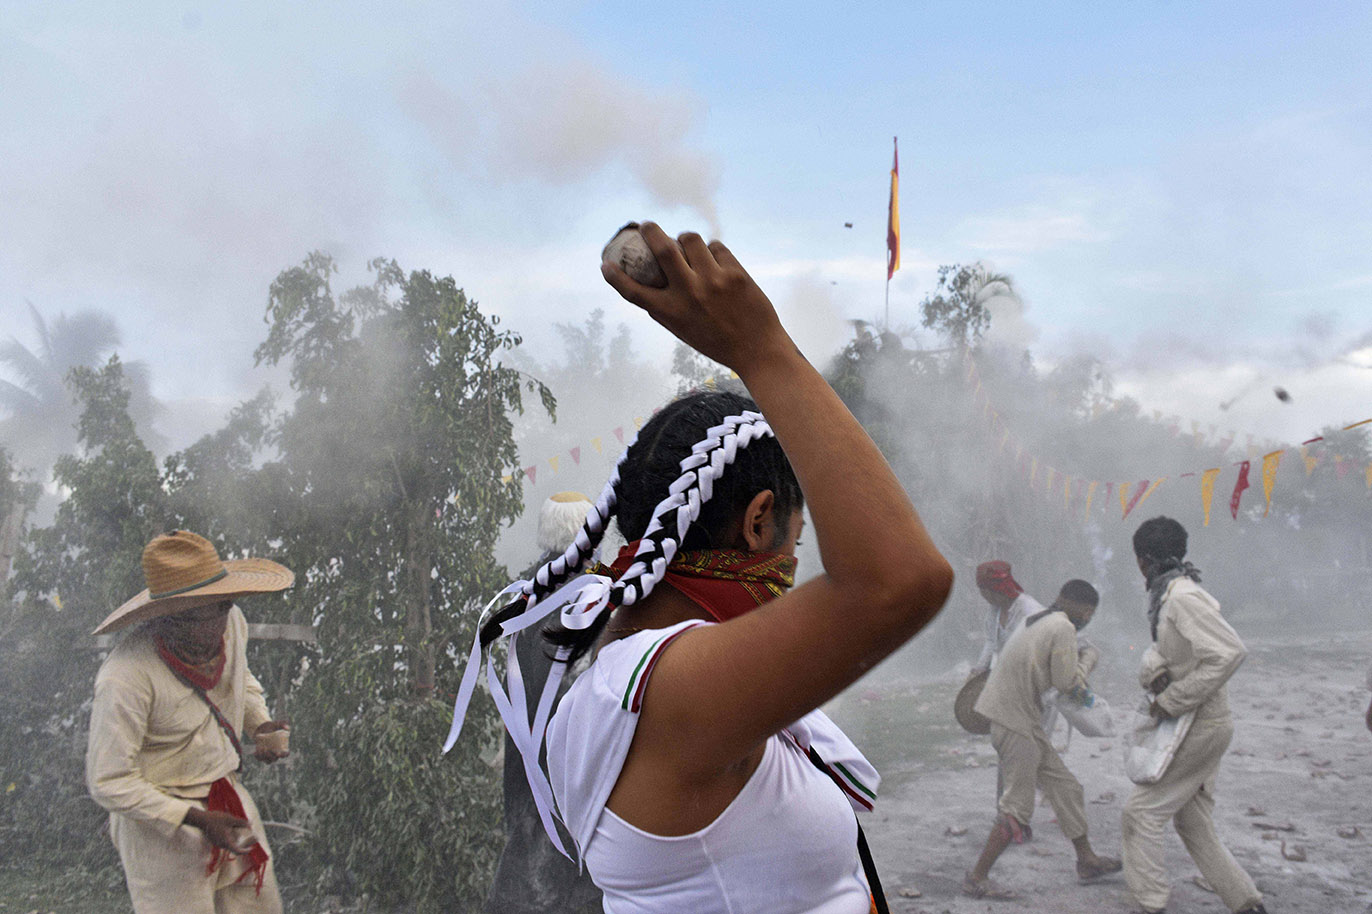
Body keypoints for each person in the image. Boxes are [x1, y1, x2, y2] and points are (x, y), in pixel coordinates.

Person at [445, 222, 953, 914]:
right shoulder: (664, 693)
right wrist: (760, 346)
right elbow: (899, 580)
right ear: (756, 521)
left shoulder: (629, 669)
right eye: (795, 547)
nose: (798, 578)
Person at [86, 530, 295, 914]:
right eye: (204, 614)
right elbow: (108, 780)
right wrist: (195, 819)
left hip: (228, 803)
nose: (220, 624)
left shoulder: (230, 622)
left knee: (259, 907)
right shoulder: (126, 676)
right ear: (169, 619)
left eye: (224, 606)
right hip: (161, 826)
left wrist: (259, 724)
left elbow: (241, 677)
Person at [1121, 516, 1266, 914]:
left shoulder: (1183, 596)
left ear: (1144, 560)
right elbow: (1178, 653)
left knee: (1140, 814)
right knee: (1193, 823)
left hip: (1201, 723)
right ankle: (1246, 903)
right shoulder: (1169, 595)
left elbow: (1229, 653)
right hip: (1194, 723)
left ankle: (1150, 905)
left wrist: (1172, 699)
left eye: (1137, 559)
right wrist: (1156, 669)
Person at [963, 579, 1120, 899]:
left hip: (1017, 717)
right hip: (1014, 721)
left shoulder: (1039, 618)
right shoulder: (1062, 627)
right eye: (1089, 613)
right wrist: (1089, 658)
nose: (1088, 618)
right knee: (1017, 808)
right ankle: (977, 877)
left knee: (1066, 787)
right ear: (1087, 610)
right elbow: (1066, 683)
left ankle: (1086, 860)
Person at [484, 492, 602, 914]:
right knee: (565, 868)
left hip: (526, 738)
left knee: (527, 850)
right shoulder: (590, 595)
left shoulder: (530, 591)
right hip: (566, 747)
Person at [971, 561, 1041, 676]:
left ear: (989, 591)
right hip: (1006, 675)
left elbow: (1039, 649)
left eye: (981, 590)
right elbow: (991, 641)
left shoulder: (1030, 611)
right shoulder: (994, 610)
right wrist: (978, 670)